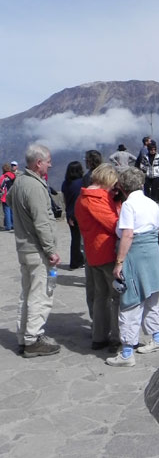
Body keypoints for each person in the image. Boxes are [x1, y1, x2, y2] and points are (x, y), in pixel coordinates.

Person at [107, 167, 159, 367]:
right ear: (141, 184)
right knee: (151, 298)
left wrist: (119, 262)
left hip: (136, 256)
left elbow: (128, 235)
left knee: (130, 302)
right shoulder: (152, 203)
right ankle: (157, 338)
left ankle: (126, 352)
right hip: (152, 252)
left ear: (122, 188)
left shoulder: (128, 206)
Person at [8, 142, 61, 357]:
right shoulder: (35, 187)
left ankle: (24, 335)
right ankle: (33, 339)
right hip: (37, 250)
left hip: (23, 247)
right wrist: (50, 250)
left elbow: (10, 201)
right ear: (39, 163)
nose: (50, 165)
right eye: (48, 162)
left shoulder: (19, 181)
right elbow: (41, 222)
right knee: (40, 294)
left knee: (27, 293)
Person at [75, 162, 121, 350]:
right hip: (106, 252)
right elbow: (114, 224)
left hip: (92, 252)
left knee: (100, 296)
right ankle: (116, 337)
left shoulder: (82, 198)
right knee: (116, 296)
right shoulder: (96, 199)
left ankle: (99, 336)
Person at [61, 160, 85, 269]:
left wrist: (68, 213)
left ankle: (74, 262)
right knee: (83, 239)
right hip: (81, 212)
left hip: (70, 213)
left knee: (74, 239)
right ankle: (82, 260)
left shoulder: (65, 184)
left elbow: (65, 200)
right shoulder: (82, 182)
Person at [0, 161, 16, 230]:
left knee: (6, 211)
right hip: (13, 195)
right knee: (12, 211)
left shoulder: (2, 177)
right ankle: (13, 225)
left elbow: (1, 186)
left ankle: (8, 226)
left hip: (5, 196)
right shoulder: (13, 175)